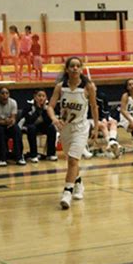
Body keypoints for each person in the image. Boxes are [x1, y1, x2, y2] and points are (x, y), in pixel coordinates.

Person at [47, 57, 99, 209]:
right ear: (67, 69)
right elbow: (50, 106)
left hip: (81, 127)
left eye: (78, 66)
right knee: (71, 160)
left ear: (81, 69)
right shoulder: (60, 87)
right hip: (65, 128)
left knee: (72, 161)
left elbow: (94, 107)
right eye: (72, 66)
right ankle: (78, 183)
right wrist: (54, 119)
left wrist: (96, 127)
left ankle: (67, 193)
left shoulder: (88, 87)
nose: (75, 68)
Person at [0, 87, 26, 166]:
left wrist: (12, 122)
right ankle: (2, 158)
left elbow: (13, 117)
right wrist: (3, 122)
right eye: (2, 93)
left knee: (16, 129)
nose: (5, 95)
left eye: (7, 93)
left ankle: (19, 157)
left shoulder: (13, 102)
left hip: (8, 124)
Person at [20, 89, 57, 163]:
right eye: (39, 96)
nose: (41, 98)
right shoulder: (29, 106)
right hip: (30, 127)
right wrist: (37, 110)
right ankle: (33, 155)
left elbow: (49, 122)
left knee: (52, 128)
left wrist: (45, 111)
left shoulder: (47, 108)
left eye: (43, 96)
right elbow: (28, 120)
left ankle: (51, 154)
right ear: (35, 97)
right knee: (32, 128)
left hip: (42, 127)